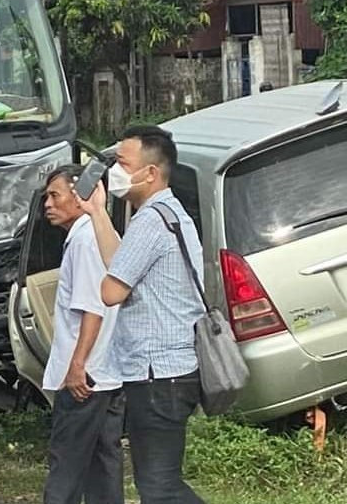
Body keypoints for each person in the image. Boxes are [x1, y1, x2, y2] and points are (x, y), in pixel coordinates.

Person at [79, 126, 207, 504]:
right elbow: (123, 264)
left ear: (150, 172)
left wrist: (110, 276)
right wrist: (97, 213)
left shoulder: (151, 220)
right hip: (169, 372)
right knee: (159, 485)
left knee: (159, 487)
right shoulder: (170, 213)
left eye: (121, 163)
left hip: (158, 375)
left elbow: (111, 290)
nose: (114, 171)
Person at [40, 165, 124, 504]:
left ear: (79, 197)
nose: (48, 203)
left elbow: (93, 308)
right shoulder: (94, 235)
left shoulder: (87, 240)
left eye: (54, 195)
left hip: (85, 377)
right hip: (106, 374)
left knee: (67, 465)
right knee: (104, 464)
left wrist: (76, 366)